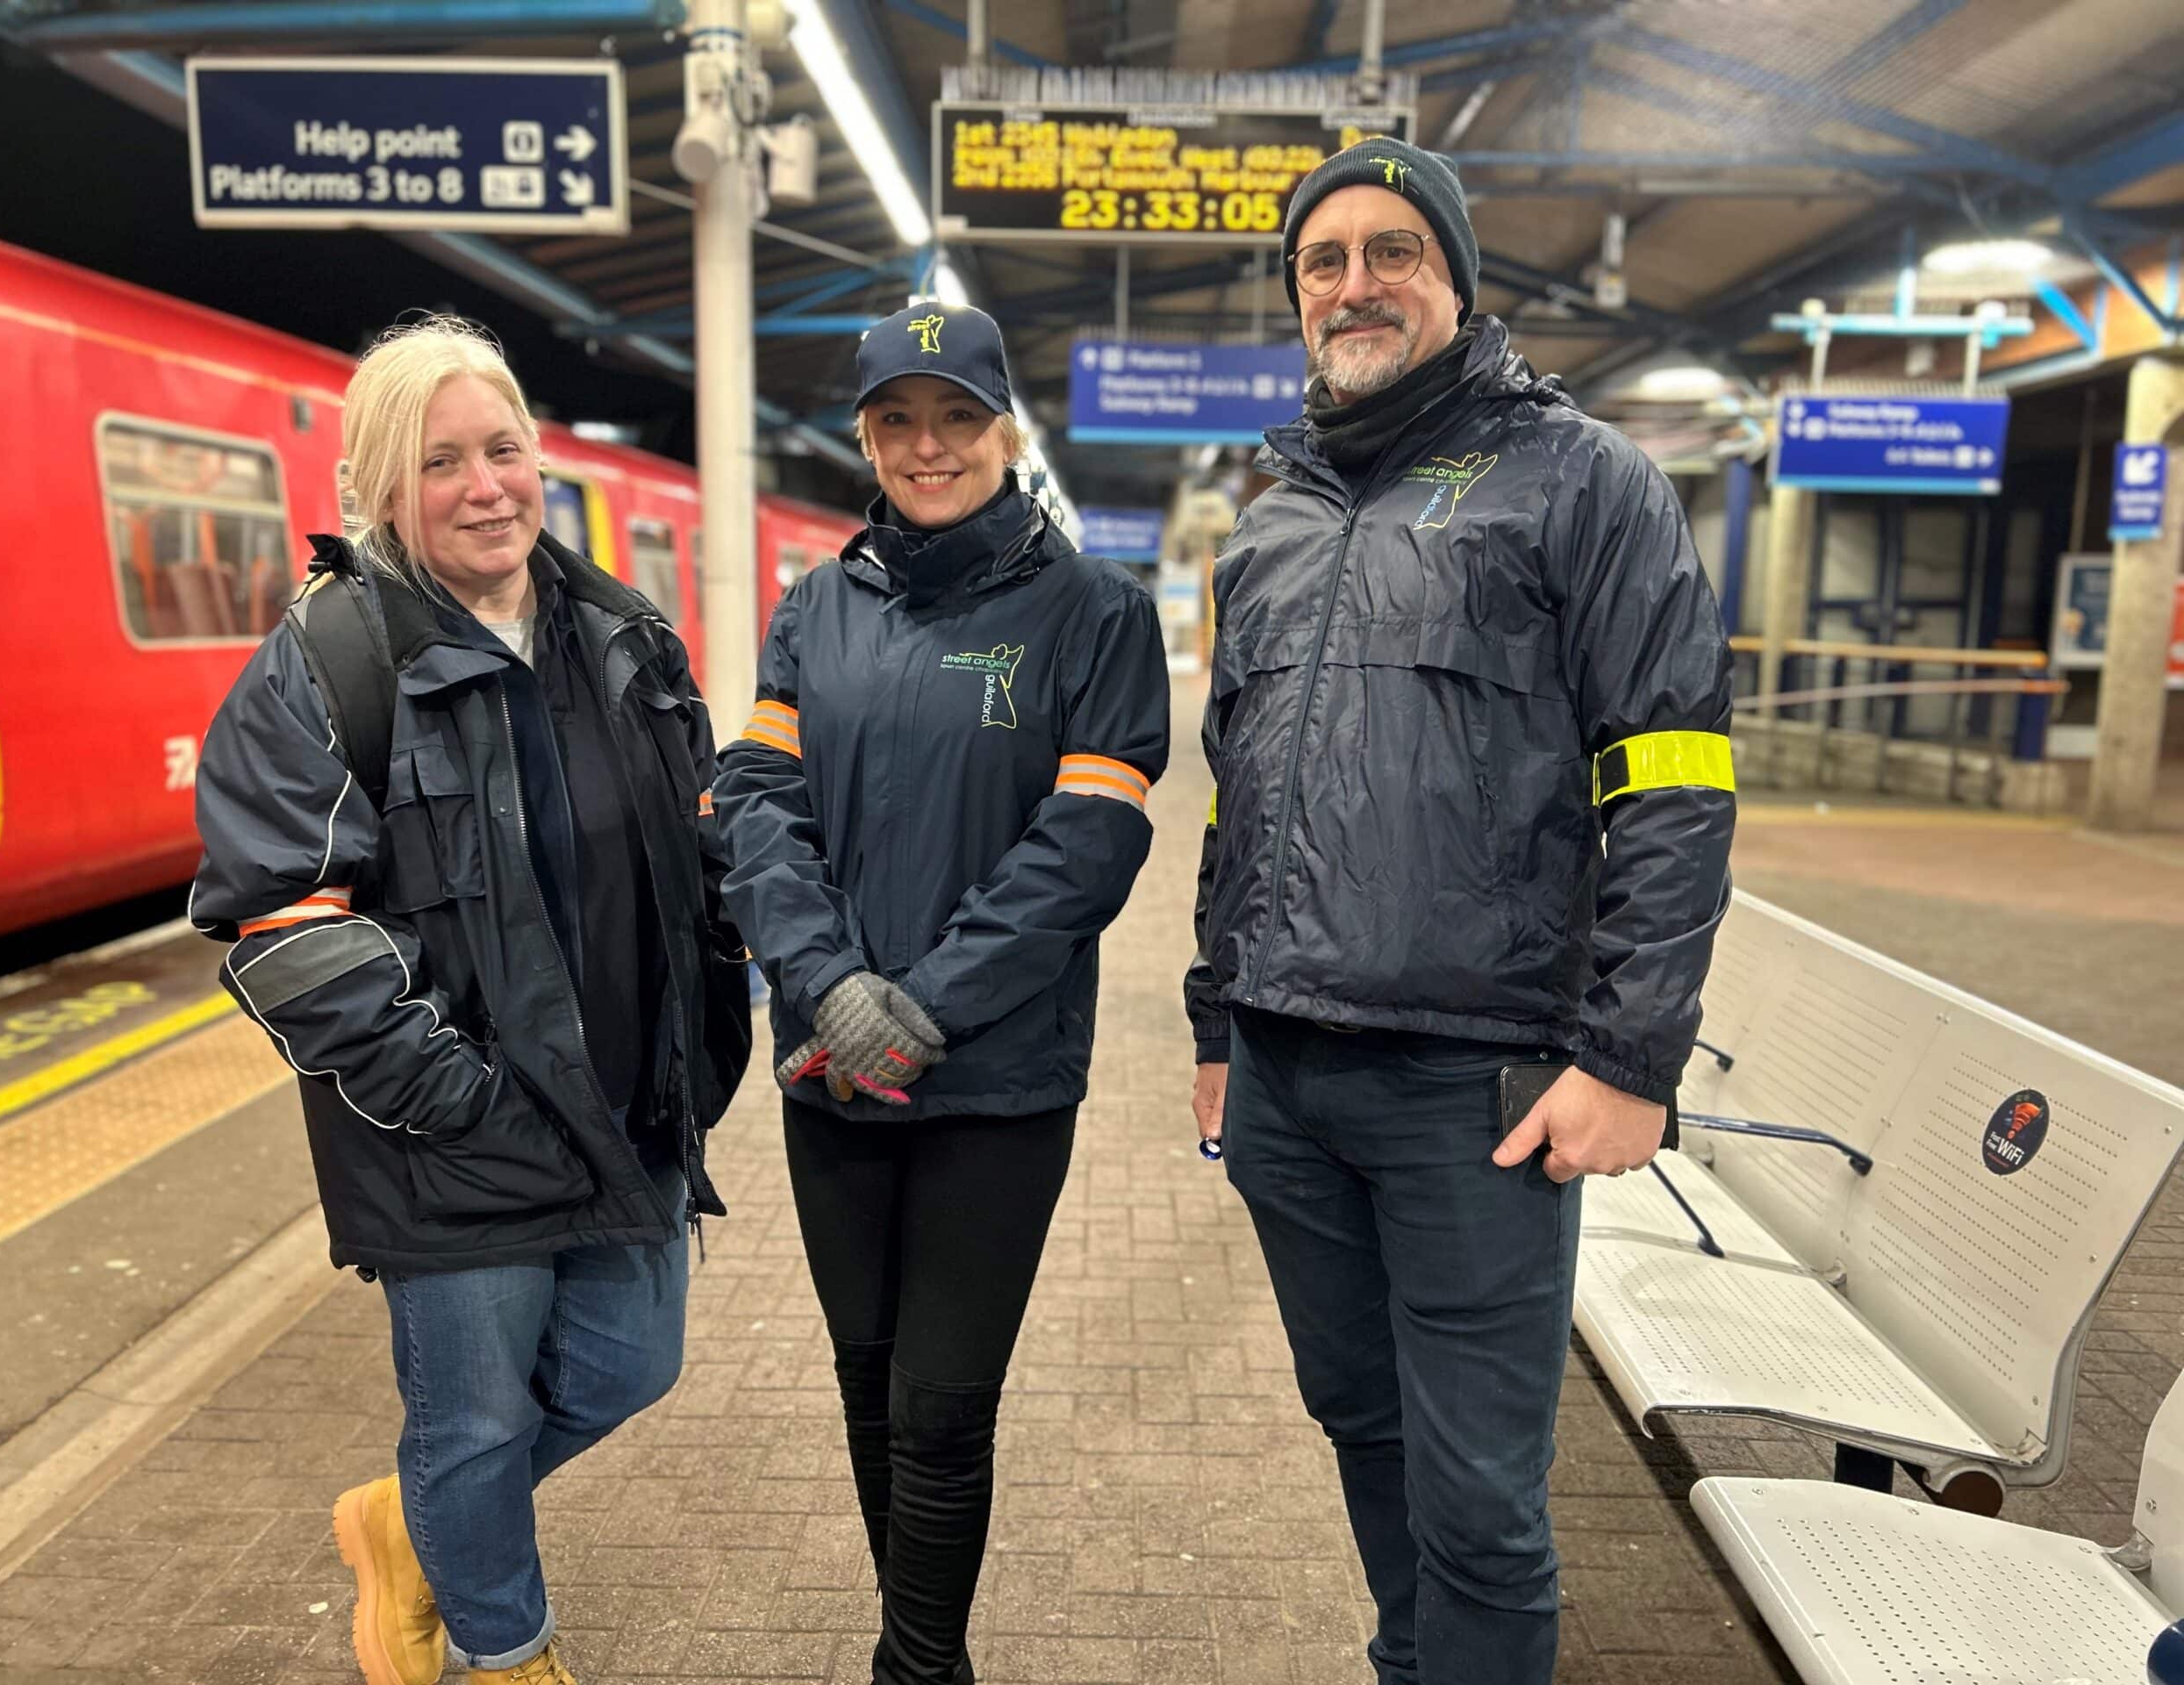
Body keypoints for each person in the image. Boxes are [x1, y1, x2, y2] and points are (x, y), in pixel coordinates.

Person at [1184, 139, 1736, 1685]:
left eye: (1392, 251)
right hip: (1288, 1077)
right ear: (1297, 296)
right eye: (1323, 261)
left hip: (1473, 1092)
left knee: (1485, 1501)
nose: (1355, 283)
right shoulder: (1275, 517)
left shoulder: (1584, 481)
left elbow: (1677, 782)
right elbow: (1239, 794)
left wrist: (1632, 1059)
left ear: (1455, 277)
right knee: (1360, 1423)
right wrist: (1216, 1019)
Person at [191, 317, 751, 1685]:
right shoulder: (327, 666)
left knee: (631, 1366)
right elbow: (279, 924)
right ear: (384, 488)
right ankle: (509, 1651)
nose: (486, 484)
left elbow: (698, 845)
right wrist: (460, 1098)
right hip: (456, 1139)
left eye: (505, 448)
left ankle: (408, 1525)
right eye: (443, 462)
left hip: (626, 1112)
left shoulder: (625, 638)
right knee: (478, 1425)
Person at [712, 302, 1168, 1684]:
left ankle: (915, 1668)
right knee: (868, 1388)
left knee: (942, 1404)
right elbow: (758, 807)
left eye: (957, 418)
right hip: (832, 1075)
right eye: (898, 421)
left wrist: (925, 1006)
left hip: (993, 1084)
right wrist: (831, 985)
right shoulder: (817, 605)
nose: (929, 446)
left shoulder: (1094, 613)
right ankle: (922, 1659)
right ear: (865, 435)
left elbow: (1087, 844)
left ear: (1004, 428)